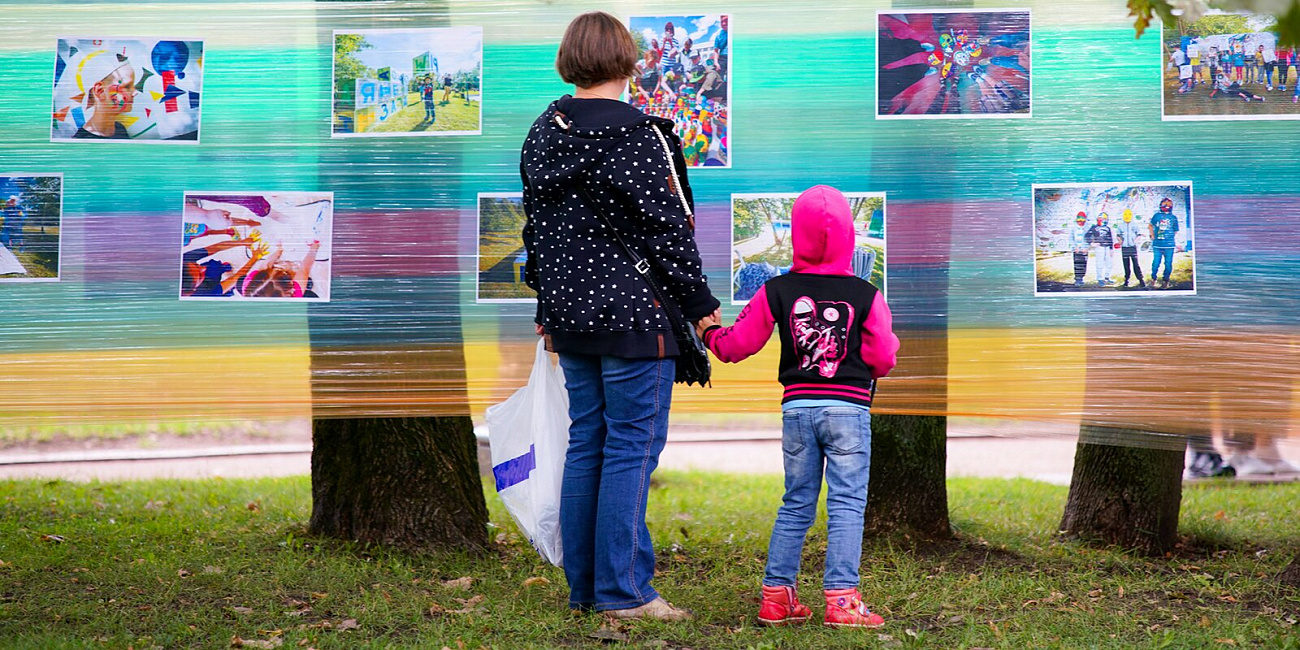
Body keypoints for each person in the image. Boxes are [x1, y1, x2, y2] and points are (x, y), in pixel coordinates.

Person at [519, 11, 719, 622]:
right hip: (638, 315)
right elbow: (669, 235)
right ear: (630, 61)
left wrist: (547, 307)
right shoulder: (644, 136)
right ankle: (625, 593)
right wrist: (703, 312)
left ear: (568, 60)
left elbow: (540, 235)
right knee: (630, 447)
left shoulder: (541, 133)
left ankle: (587, 590)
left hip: (571, 317)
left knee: (590, 444)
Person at [695, 185, 899, 630]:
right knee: (846, 504)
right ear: (849, 235)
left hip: (797, 410)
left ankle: (777, 598)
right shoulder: (867, 295)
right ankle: (842, 604)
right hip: (848, 409)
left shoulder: (776, 290)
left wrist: (709, 331)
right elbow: (884, 358)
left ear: (797, 236)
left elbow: (735, 346)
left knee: (796, 502)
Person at [72, 50, 137, 139]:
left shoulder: (119, 129)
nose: (135, 92)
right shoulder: (82, 142)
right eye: (127, 86)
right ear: (100, 91)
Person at [1149, 197, 1180, 289]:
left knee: (1168, 264)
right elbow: (1150, 225)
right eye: (1164, 204)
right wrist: (1152, 235)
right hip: (1157, 245)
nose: (1166, 206)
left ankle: (1165, 281)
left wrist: (1169, 237)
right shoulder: (1157, 216)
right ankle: (1153, 279)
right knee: (1155, 263)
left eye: (1168, 204)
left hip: (1169, 246)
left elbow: (1175, 230)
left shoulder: (1173, 218)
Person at [1114, 208, 1147, 289]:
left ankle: (1141, 280)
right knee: (1126, 264)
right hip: (1124, 248)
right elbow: (1118, 235)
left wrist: (1135, 241)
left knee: (1136, 264)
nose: (1127, 216)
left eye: (1129, 215)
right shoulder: (1120, 225)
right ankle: (1126, 280)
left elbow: (1139, 234)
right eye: (1125, 215)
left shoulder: (1134, 225)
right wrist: (1120, 241)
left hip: (1132, 247)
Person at [1085, 212, 1115, 287]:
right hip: (1099, 247)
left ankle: (1107, 277)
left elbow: (1110, 238)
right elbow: (1087, 236)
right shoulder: (1094, 227)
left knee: (1109, 263)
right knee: (1099, 263)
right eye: (1101, 218)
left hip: (1107, 247)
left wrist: (1111, 249)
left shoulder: (1108, 228)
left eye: (1105, 218)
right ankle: (1100, 278)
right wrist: (1092, 243)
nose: (1103, 220)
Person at [1069, 211, 1090, 288]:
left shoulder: (1087, 228)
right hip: (1077, 250)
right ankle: (1077, 278)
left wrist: (1087, 247)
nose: (1080, 222)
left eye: (1082, 220)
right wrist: (1075, 247)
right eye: (1079, 220)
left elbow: (1090, 238)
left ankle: (1081, 277)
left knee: (1083, 264)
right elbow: (1071, 238)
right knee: (1077, 263)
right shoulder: (1073, 228)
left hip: (1084, 250)